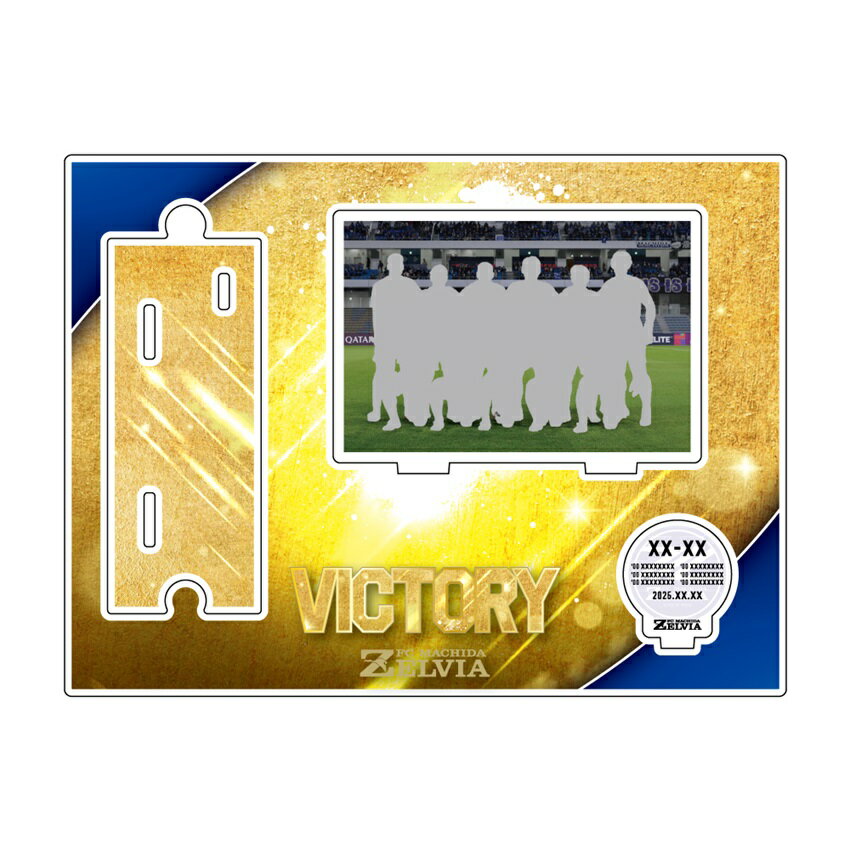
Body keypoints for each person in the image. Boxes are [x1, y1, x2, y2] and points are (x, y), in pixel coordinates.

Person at [599, 250, 655, 427]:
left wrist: (648, 328)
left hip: (633, 334)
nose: (620, 265)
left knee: (639, 372)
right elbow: (600, 311)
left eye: (624, 262)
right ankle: (618, 410)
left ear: (629, 264)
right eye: (617, 262)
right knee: (615, 374)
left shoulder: (636, 284)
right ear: (612, 265)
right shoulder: (608, 286)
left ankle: (646, 409)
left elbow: (650, 306)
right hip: (614, 336)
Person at [368, 253, 422, 431]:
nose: (398, 266)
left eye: (400, 264)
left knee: (409, 377)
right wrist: (378, 338)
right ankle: (389, 416)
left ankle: (410, 412)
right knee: (384, 377)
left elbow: (418, 313)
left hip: (406, 339)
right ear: (389, 266)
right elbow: (376, 314)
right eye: (395, 263)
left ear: (402, 266)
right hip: (387, 339)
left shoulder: (410, 285)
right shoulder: (379, 287)